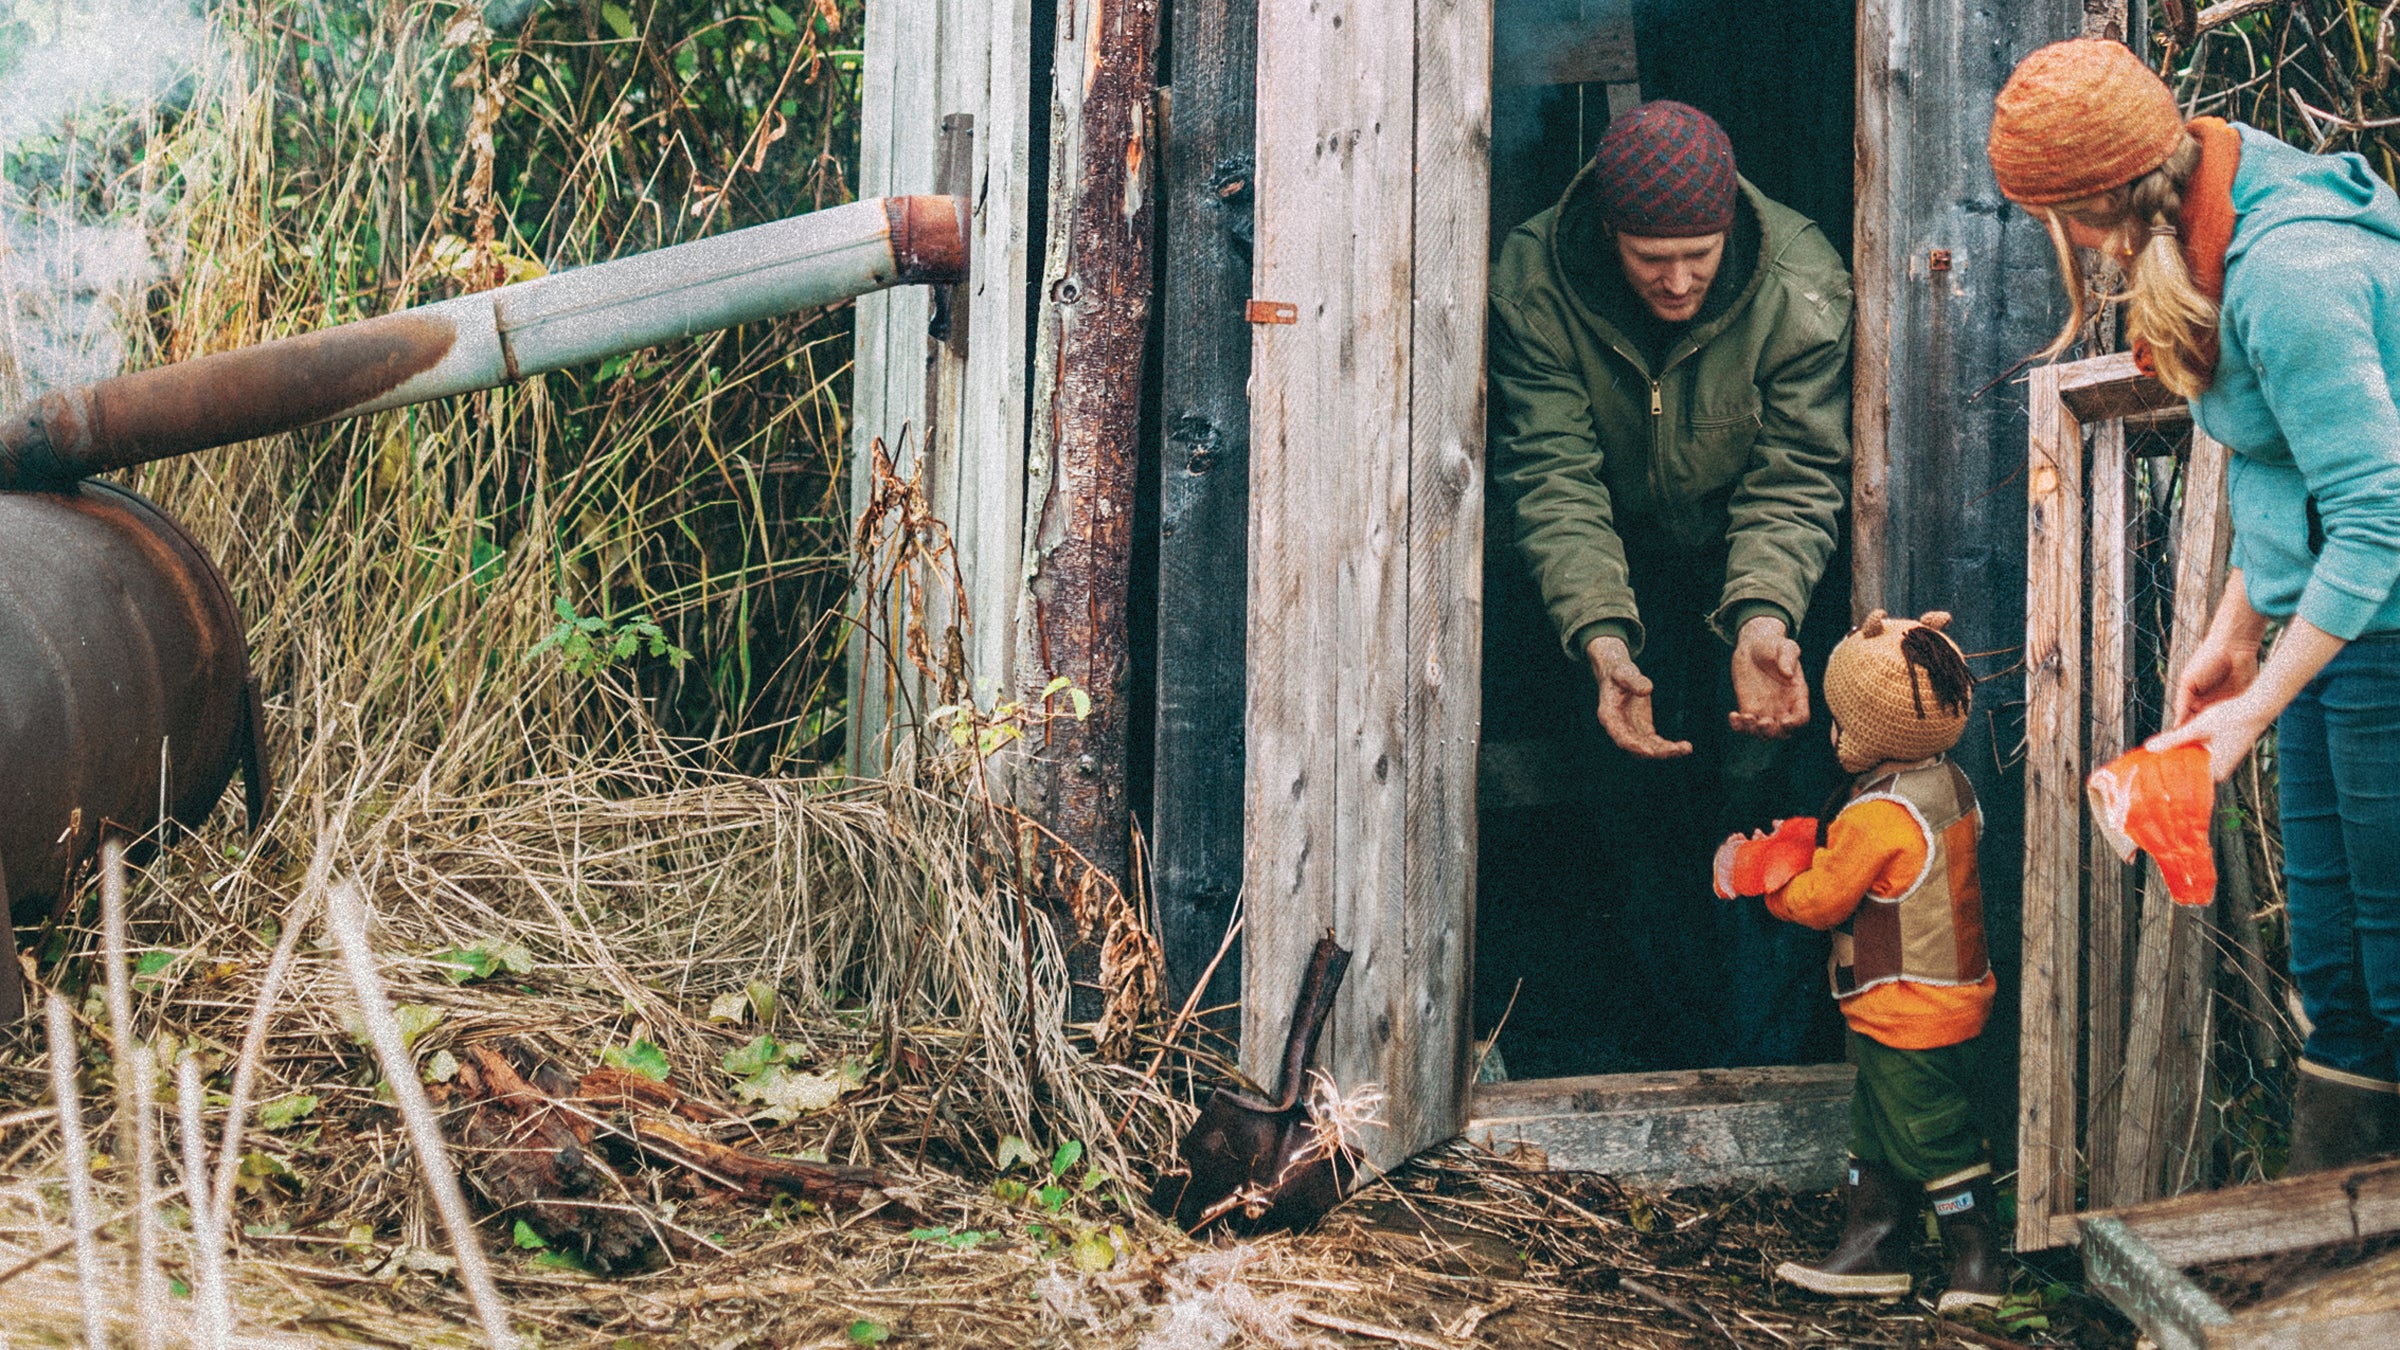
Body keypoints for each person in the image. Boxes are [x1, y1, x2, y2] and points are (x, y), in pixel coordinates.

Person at [1989, 38, 2400, 1172]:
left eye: (2060, 217)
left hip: (2386, 627)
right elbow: (2287, 464)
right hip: (2342, 623)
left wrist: (2252, 710)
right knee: (2339, 969)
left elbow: (2376, 515)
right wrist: (2235, 632)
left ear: (2098, 199)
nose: (2068, 244)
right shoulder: (2209, 224)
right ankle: (2338, 1273)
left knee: (2399, 961)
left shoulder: (2292, 270)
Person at [1488, 100, 1855, 1067]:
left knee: (1768, 807)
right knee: (1634, 811)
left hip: (1744, 566)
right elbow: (1552, 476)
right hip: (1611, 570)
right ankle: (1649, 1059)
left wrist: (1766, 619)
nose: (1681, 279)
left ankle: (1764, 1063)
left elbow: (1797, 475)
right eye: (1653, 258)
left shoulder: (1803, 282)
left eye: (1701, 252)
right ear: (1610, 233)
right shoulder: (1535, 280)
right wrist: (1603, 639)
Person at [1728, 610, 2002, 1312]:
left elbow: (1823, 898)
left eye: (1842, 722)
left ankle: (1978, 1265)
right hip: (1941, 998)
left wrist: (1772, 880)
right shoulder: (1948, 786)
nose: (1834, 734)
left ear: (1870, 732)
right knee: (1876, 1128)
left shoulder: (1878, 816)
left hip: (1910, 1006)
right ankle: (1874, 1247)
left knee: (1935, 1134)